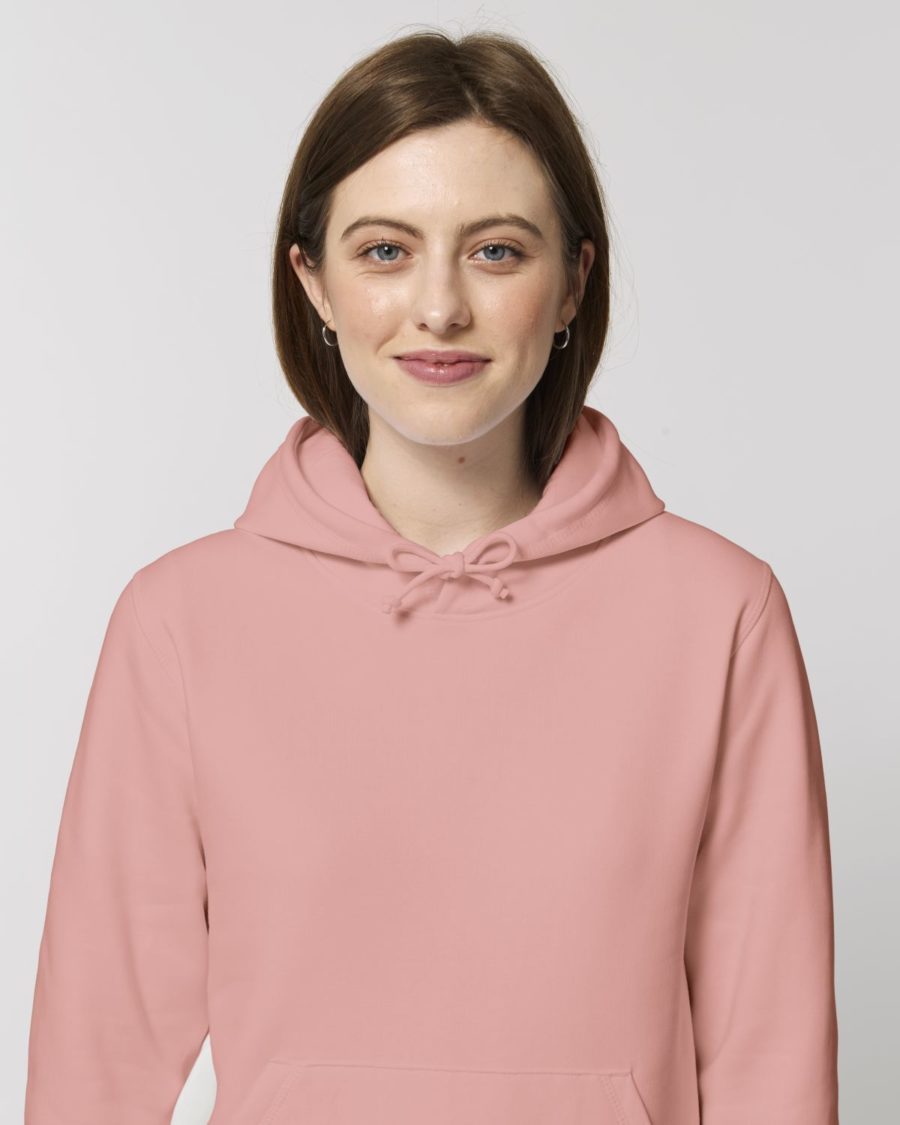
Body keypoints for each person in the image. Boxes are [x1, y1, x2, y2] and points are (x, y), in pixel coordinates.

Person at [24, 27, 839, 1125]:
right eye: (384, 251)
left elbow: (770, 1061)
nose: (441, 306)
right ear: (312, 281)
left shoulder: (721, 614)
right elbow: (96, 1060)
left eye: (497, 250)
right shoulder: (180, 621)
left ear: (573, 283)